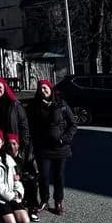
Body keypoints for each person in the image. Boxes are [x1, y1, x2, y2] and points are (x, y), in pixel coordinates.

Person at [27, 79, 77, 215]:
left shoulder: (61, 104)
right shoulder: (34, 106)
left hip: (60, 148)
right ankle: (44, 200)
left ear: (50, 88)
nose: (43, 91)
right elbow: (30, 126)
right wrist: (34, 142)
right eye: (40, 89)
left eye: (45, 88)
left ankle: (58, 201)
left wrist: (64, 139)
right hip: (43, 148)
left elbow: (73, 124)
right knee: (43, 176)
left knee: (59, 176)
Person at [0, 77, 30, 154]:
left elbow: (24, 125)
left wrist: (24, 144)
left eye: (0, 87)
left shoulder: (14, 104)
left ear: (4, 88)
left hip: (13, 144)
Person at [5, 133, 40, 221]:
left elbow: (34, 172)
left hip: (24, 179)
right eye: (9, 144)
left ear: (18, 145)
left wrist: (20, 176)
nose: (11, 146)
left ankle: (32, 209)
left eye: (14, 144)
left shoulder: (27, 155)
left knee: (32, 183)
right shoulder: (4, 156)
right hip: (9, 181)